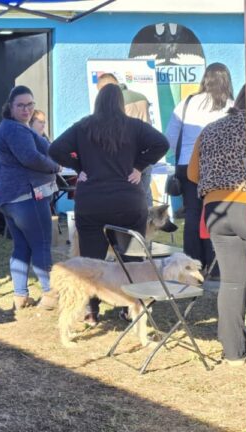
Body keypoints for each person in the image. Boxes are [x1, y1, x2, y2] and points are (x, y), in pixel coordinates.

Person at [49, 84, 169, 324]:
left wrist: (79, 168)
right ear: (120, 104)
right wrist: (138, 165)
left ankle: (91, 311)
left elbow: (55, 149)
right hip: (128, 202)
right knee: (131, 257)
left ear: (97, 102)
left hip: (91, 202)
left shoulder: (83, 126)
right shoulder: (134, 127)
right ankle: (131, 307)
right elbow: (161, 143)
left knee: (91, 260)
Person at [188, 85, 246, 366]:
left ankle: (234, 352)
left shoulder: (211, 128)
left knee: (233, 282)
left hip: (216, 210)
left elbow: (192, 173)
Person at [0, 85, 62, 310]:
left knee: (21, 247)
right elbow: (30, 158)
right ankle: (50, 295)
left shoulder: (16, 127)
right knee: (41, 244)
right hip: (25, 196)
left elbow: (44, 147)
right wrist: (55, 166)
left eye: (30, 105)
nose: (26, 109)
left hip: (11, 198)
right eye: (20, 105)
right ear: (10, 107)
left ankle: (20, 296)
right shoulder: (15, 129)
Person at [164, 63, 234, 276]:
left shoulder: (187, 103)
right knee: (216, 214)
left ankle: (192, 263)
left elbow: (169, 138)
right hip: (217, 169)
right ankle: (215, 264)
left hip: (187, 166)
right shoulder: (229, 106)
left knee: (193, 214)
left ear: (205, 79)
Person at [96, 73, 155, 206]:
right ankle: (148, 225)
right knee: (145, 195)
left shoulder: (114, 102)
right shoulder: (141, 97)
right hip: (145, 155)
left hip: (126, 158)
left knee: (127, 199)